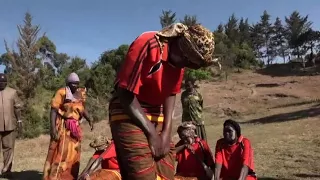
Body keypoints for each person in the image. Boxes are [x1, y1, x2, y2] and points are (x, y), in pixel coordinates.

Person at [109, 23, 218, 180]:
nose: (188, 67)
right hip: (129, 108)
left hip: (156, 111)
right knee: (143, 174)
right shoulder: (149, 43)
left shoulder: (179, 64)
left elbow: (171, 94)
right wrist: (153, 134)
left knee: (166, 171)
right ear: (182, 48)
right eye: (188, 62)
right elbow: (124, 92)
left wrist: (166, 133)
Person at [43, 72, 94, 180]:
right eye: (73, 83)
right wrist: (52, 128)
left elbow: (82, 108)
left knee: (74, 154)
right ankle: (55, 177)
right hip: (63, 127)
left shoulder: (80, 93)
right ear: (68, 83)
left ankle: (70, 177)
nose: (75, 86)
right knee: (61, 152)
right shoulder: (62, 92)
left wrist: (89, 119)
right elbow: (53, 110)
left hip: (75, 129)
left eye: (77, 83)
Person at [0, 73, 23, 178]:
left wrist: (19, 121)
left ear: (7, 82)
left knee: (9, 148)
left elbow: (17, 107)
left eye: (4, 82)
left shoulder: (12, 92)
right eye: (0, 82)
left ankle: (7, 171)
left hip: (10, 124)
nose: (2, 84)